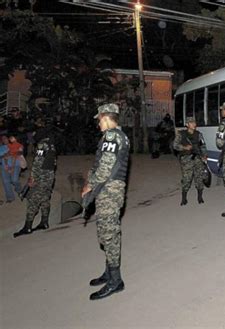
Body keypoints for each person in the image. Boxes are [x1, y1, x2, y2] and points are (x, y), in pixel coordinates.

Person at [81, 103, 130, 300]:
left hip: (109, 191)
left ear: (105, 117)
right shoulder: (121, 135)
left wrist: (89, 185)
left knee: (109, 234)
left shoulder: (111, 136)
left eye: (99, 120)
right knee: (105, 232)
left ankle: (116, 281)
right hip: (111, 189)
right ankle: (109, 272)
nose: (98, 124)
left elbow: (105, 168)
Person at [13, 128, 57, 238]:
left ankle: (27, 227)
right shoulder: (51, 145)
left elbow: (37, 163)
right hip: (50, 176)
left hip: (41, 177)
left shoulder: (42, 145)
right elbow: (54, 163)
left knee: (33, 200)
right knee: (45, 199)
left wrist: (32, 178)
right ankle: (44, 222)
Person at [173, 117, 207, 205]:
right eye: (191, 123)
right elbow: (175, 145)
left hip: (198, 158)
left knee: (199, 178)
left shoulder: (199, 134)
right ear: (187, 125)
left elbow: (203, 145)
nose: (194, 124)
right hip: (186, 159)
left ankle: (200, 197)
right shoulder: (181, 134)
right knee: (186, 179)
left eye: (194, 122)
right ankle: (184, 198)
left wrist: (204, 155)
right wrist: (184, 147)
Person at [1, 134, 23, 202]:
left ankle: (19, 190)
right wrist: (3, 156)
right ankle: (10, 197)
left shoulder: (15, 145)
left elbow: (20, 152)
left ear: (9, 138)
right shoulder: (1, 148)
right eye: (2, 139)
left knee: (14, 180)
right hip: (4, 167)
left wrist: (11, 154)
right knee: (6, 182)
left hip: (16, 165)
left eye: (5, 138)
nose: (4, 140)